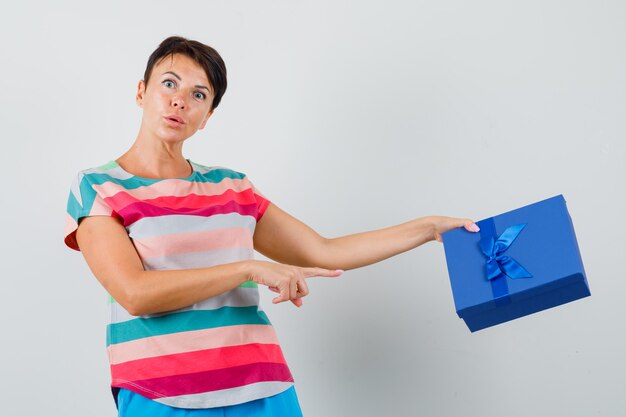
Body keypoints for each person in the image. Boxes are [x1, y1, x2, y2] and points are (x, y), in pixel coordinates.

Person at [63, 36, 480, 417]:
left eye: (198, 95)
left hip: (262, 389)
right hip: (160, 393)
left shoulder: (231, 187)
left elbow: (325, 250)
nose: (179, 102)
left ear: (207, 116)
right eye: (168, 84)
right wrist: (249, 269)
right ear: (141, 91)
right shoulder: (98, 187)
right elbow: (135, 294)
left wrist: (428, 229)